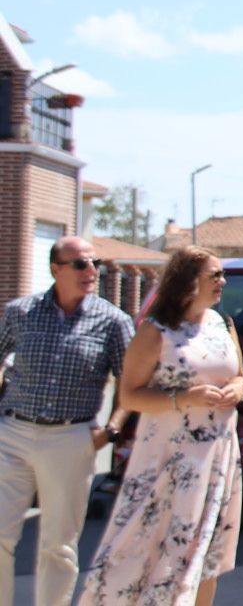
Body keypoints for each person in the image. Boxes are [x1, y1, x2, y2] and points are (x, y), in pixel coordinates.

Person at [80, 245, 243, 606]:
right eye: (214, 275)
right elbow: (130, 395)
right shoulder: (155, 332)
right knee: (150, 549)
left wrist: (238, 388)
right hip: (169, 458)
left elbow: (241, 378)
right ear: (188, 281)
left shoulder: (222, 323)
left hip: (218, 455)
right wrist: (184, 398)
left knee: (206, 552)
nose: (223, 281)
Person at [0, 237, 133, 606]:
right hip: (11, 432)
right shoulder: (19, 312)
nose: (91, 271)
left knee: (58, 544)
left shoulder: (113, 321)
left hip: (71, 437)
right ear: (55, 269)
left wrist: (111, 429)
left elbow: (129, 381)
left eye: (96, 264)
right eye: (80, 264)